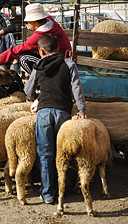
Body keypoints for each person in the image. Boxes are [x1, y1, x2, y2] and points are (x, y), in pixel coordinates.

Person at [24, 34, 86, 204]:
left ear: (40, 51)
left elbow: (28, 90)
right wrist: (81, 110)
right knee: (64, 152)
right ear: (58, 49)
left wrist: (35, 97)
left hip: (43, 113)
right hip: (63, 114)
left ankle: (49, 194)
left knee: (45, 154)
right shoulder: (69, 64)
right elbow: (77, 88)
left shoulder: (38, 65)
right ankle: (64, 188)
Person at [0, 3, 72, 78]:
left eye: (28, 22)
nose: (28, 25)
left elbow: (14, 51)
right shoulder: (51, 21)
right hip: (64, 57)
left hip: (59, 63)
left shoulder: (38, 36)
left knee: (23, 58)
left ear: (34, 22)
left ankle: (44, 81)